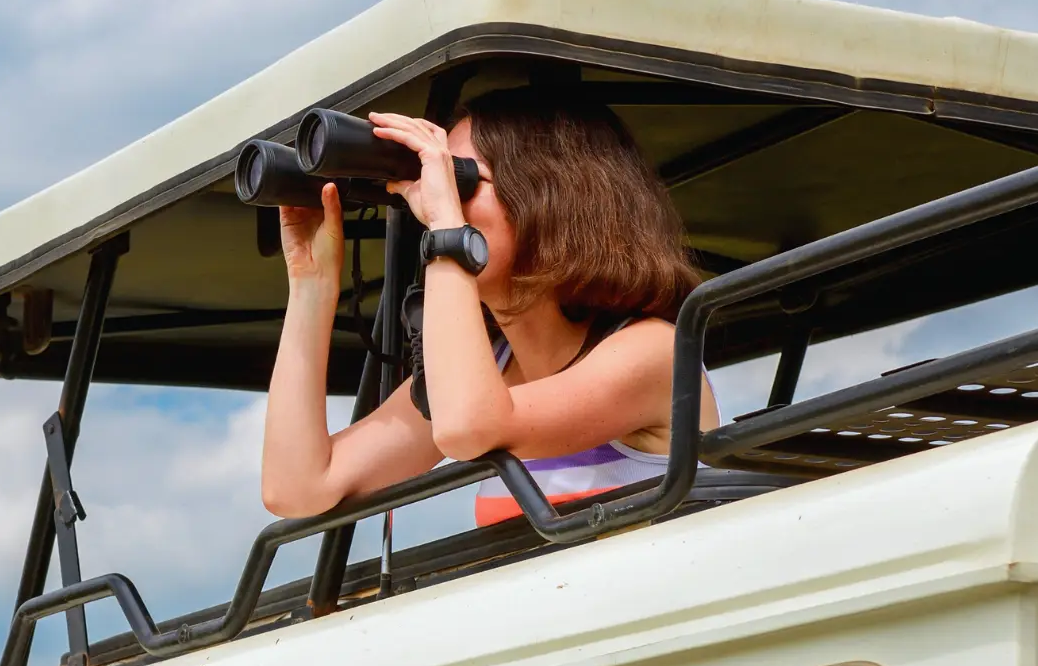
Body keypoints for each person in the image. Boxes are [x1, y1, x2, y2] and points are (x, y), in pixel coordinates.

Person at [260, 87, 720, 527]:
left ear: (551, 196)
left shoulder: (654, 353)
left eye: (461, 180)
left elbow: (467, 427)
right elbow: (298, 488)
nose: (438, 202)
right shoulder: (487, 373)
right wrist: (312, 284)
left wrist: (446, 226)